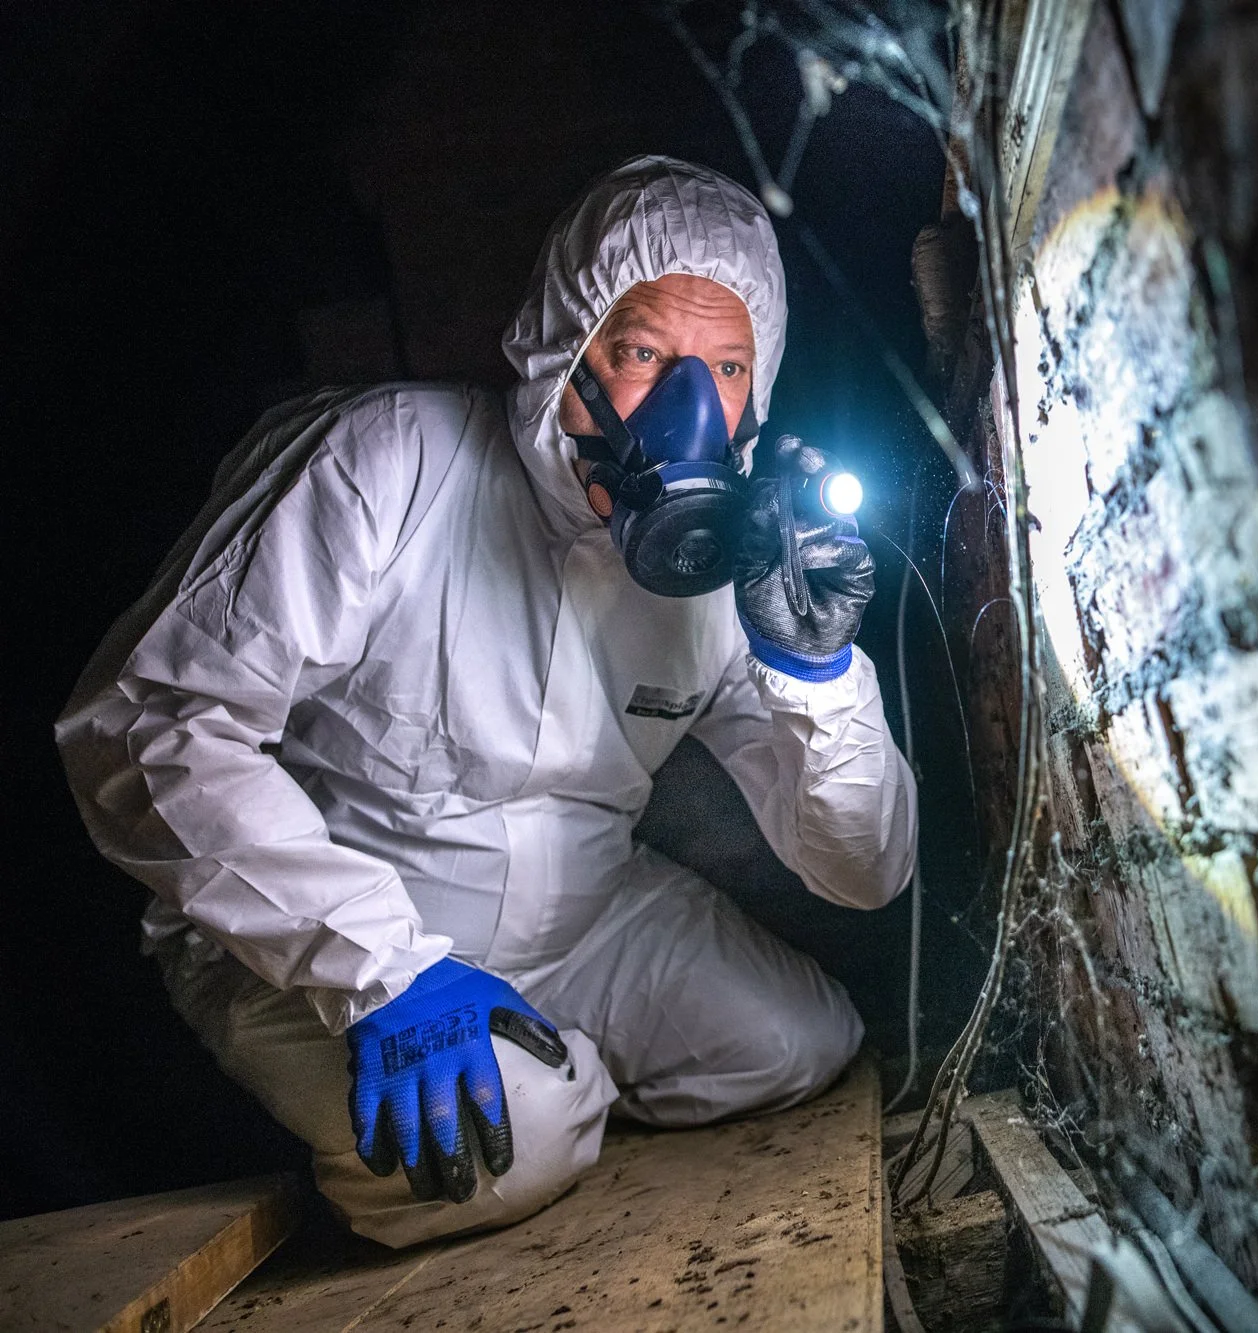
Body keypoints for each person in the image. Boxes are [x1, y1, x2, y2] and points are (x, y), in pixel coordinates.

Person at [54, 156, 917, 1247]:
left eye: (728, 369)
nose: (689, 408)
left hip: (582, 918)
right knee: (506, 1147)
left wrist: (815, 673)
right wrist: (381, 971)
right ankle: (530, 1091)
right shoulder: (388, 465)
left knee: (796, 1043)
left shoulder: (739, 574)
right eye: (645, 352)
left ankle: (557, 1068)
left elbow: (862, 871)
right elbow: (147, 725)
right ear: (565, 347)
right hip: (336, 940)